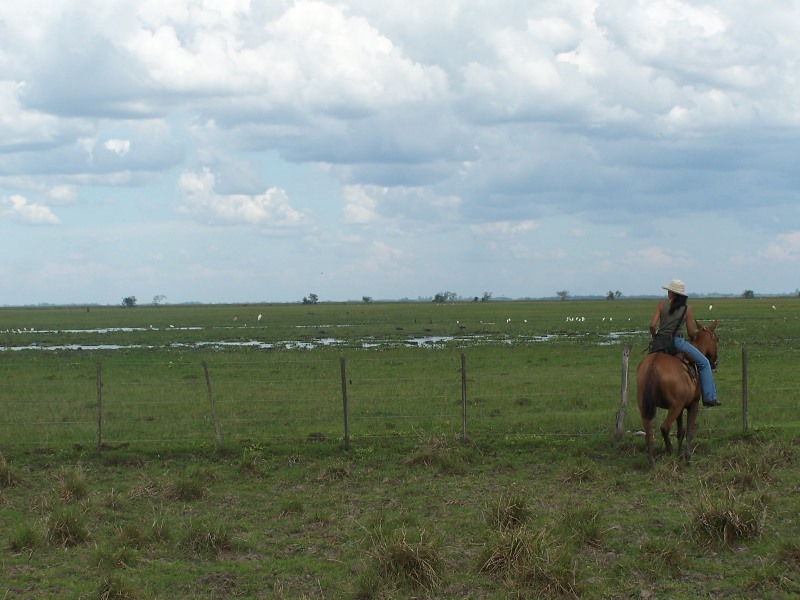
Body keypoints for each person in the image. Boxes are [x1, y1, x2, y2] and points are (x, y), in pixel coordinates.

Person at [648, 279, 720, 407]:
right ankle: (710, 398)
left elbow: (652, 325)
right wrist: (695, 335)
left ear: (672, 293)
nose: (668, 293)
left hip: (661, 342)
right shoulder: (687, 309)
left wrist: (655, 337)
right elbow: (691, 333)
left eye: (669, 291)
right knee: (704, 363)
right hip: (678, 342)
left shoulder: (660, 305)